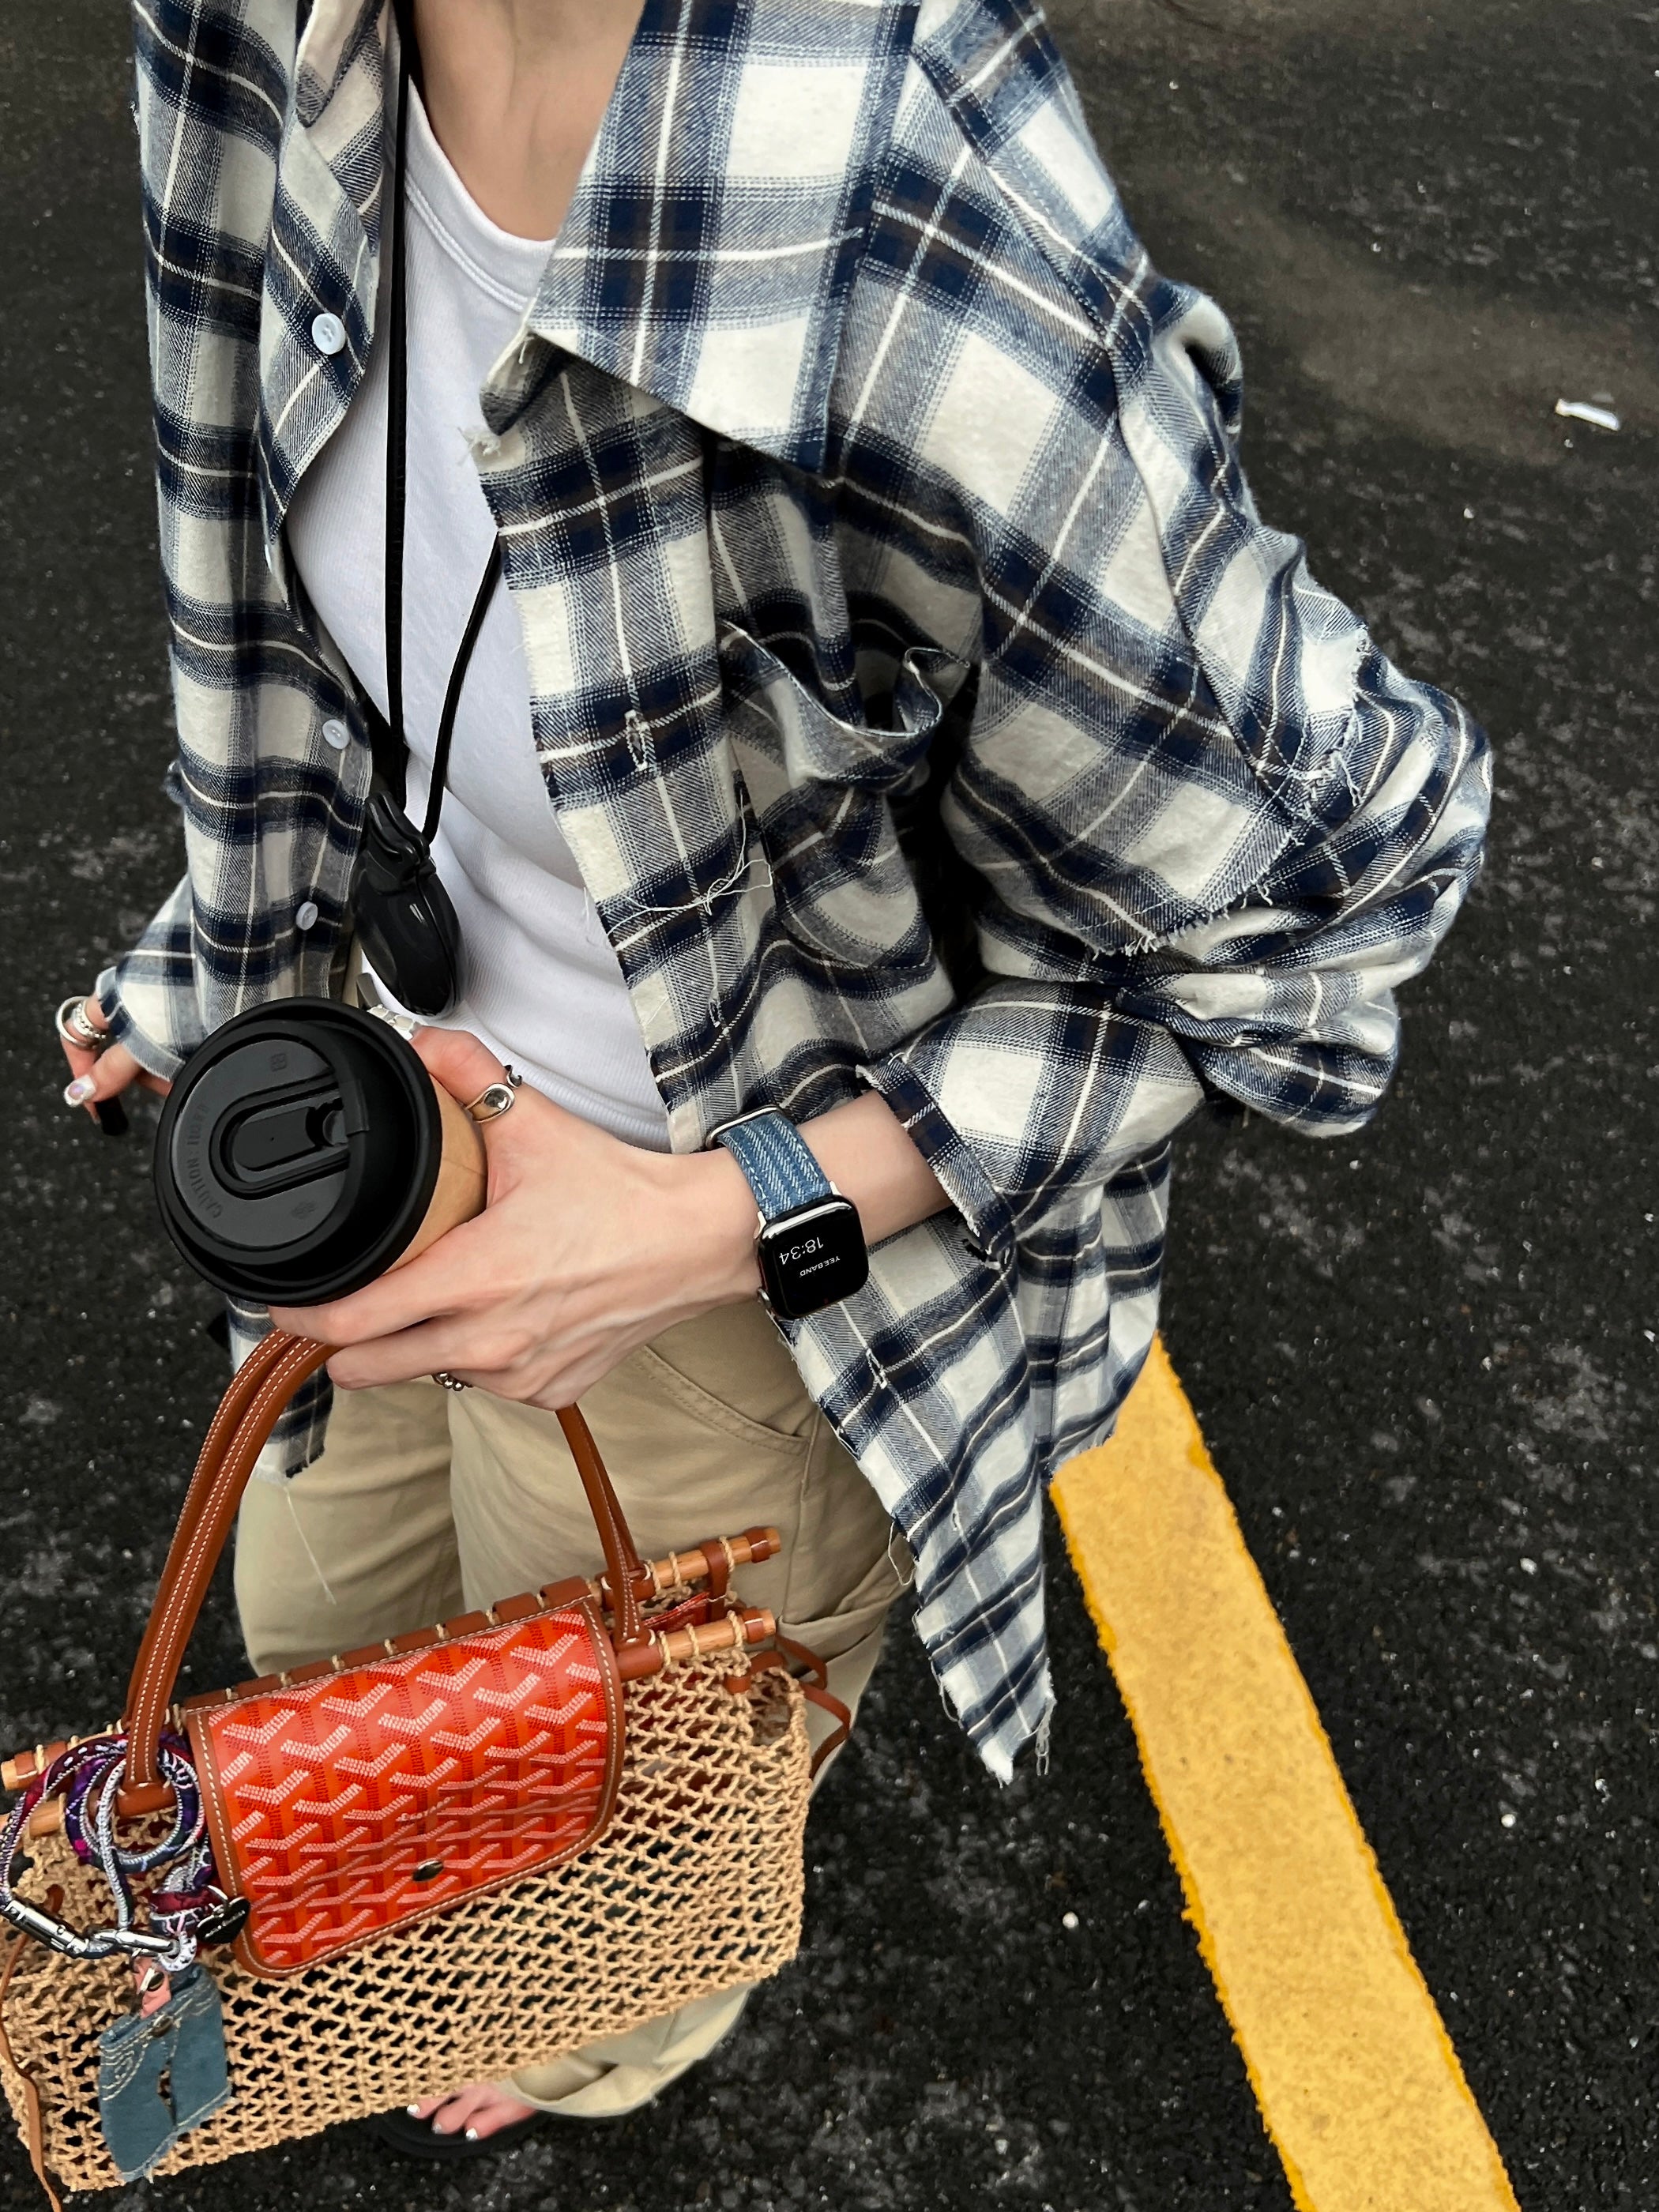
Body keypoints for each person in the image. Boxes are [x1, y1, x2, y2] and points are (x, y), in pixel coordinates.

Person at [56, 0, 1488, 2158]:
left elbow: (1335, 891)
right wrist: (210, 955)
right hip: (369, 1136)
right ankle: (472, 1955)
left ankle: (598, 2032)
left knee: (611, 1851)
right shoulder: (248, 30)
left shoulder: (900, 196)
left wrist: (719, 1219)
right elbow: (312, 648)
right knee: (324, 1638)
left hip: (713, 1269)